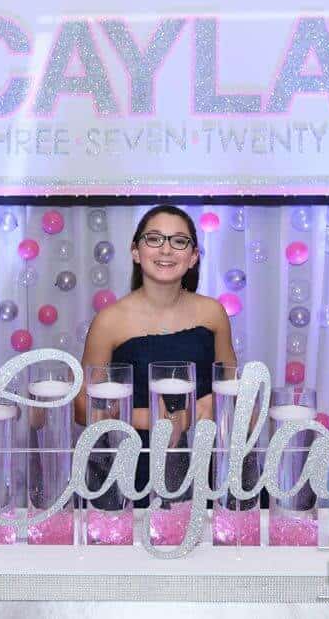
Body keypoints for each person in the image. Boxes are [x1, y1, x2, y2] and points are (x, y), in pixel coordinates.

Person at [76, 204, 237, 506]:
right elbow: (82, 407)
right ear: (135, 251)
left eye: (179, 241)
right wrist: (157, 419)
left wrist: (206, 411)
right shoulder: (109, 321)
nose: (166, 249)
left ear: (193, 256)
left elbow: (232, 393)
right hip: (129, 469)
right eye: (154, 238)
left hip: (202, 466)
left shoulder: (213, 313)